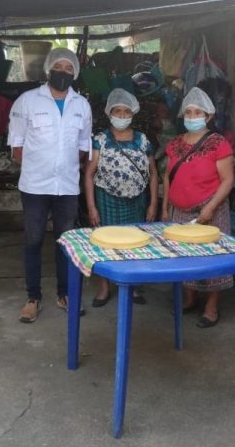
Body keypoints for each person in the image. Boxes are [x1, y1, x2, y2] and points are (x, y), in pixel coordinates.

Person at [8, 47, 93, 323]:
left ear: (75, 73)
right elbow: (16, 148)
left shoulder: (82, 105)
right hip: (34, 186)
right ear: (48, 69)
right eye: (58, 67)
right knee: (33, 241)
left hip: (67, 187)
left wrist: (63, 166)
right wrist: (41, 167)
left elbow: (83, 147)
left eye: (69, 68)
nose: (63, 72)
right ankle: (33, 298)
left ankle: (64, 294)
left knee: (65, 243)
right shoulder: (27, 101)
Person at [161, 87, 235, 328]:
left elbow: (228, 180)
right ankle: (189, 298)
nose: (192, 116)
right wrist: (165, 207)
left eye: (198, 112)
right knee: (184, 258)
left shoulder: (219, 143)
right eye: (188, 112)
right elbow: (167, 177)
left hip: (210, 210)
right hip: (179, 211)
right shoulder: (175, 143)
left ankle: (211, 307)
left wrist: (210, 207)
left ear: (209, 116)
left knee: (212, 258)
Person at [85, 88, 159, 307]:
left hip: (137, 200)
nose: (122, 116)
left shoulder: (142, 140)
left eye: (126, 111)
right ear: (109, 113)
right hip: (107, 199)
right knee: (105, 241)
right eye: (117, 111)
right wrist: (91, 207)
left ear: (133, 114)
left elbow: (153, 173)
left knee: (135, 242)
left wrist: (153, 203)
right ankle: (104, 287)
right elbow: (89, 174)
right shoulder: (101, 139)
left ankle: (132, 286)